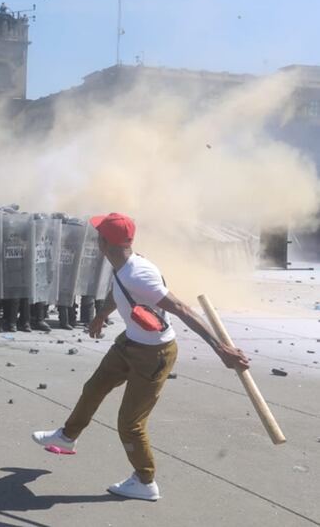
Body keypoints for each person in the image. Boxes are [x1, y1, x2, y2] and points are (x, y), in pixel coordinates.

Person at [32, 213, 249, 501]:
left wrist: (220, 348)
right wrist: (100, 316)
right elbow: (118, 291)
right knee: (94, 387)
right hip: (130, 343)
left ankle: (145, 482)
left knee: (130, 424)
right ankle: (67, 436)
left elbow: (182, 309)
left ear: (103, 243)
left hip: (153, 355)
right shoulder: (124, 267)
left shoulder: (139, 273)